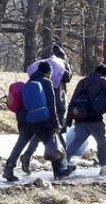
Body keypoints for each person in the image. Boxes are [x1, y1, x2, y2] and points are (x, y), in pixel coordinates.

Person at [3, 61, 67, 181]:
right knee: (53, 146)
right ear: (48, 72)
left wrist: (22, 120)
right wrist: (55, 123)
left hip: (26, 120)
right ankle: (60, 171)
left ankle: (8, 169)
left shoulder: (30, 81)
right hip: (42, 122)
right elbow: (51, 105)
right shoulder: (47, 82)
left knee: (19, 145)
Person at [20, 44, 72, 174]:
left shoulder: (45, 67)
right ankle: (60, 169)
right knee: (54, 135)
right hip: (58, 105)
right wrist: (67, 65)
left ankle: (28, 155)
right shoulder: (61, 67)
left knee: (42, 134)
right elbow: (68, 77)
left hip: (44, 105)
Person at [64, 63, 106, 176]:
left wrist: (69, 119)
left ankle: (63, 164)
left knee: (76, 142)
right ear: (104, 74)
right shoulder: (102, 81)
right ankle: (104, 168)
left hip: (80, 118)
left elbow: (73, 100)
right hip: (95, 119)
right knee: (102, 142)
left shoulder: (82, 82)